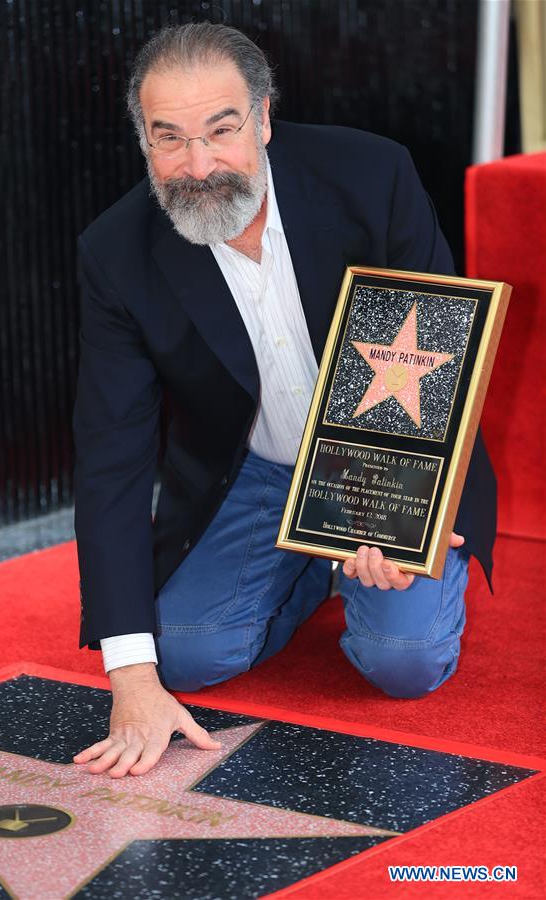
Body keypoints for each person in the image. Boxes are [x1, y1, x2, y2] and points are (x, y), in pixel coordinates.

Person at [71, 23, 496, 779]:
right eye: (169, 138)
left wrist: (400, 518)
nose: (198, 165)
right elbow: (112, 459)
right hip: (254, 474)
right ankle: (304, 569)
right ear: (143, 143)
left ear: (264, 118)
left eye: (222, 130)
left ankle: (343, 566)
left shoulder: (372, 174)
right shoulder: (116, 253)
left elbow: (439, 357)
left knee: (402, 662)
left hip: (390, 461)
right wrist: (130, 674)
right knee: (187, 656)